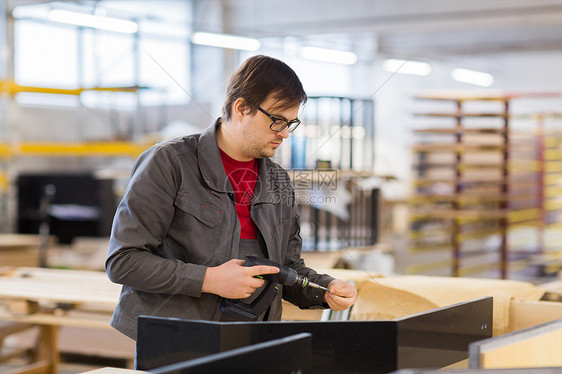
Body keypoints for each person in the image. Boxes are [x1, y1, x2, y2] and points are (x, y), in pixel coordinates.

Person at [105, 55, 357, 340]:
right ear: (241, 108)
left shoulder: (278, 181)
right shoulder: (170, 162)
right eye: (277, 121)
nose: (285, 134)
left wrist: (324, 289)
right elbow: (124, 261)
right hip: (177, 340)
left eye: (291, 123)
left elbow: (286, 270)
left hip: (254, 338)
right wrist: (209, 280)